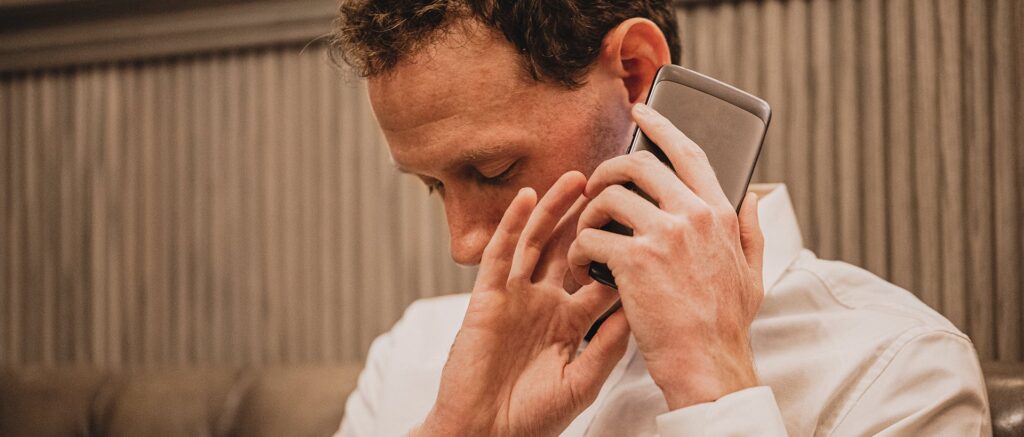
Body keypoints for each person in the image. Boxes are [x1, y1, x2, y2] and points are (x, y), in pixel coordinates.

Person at [329, 1, 990, 435]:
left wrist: (715, 390)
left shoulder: (902, 370)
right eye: (432, 187)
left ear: (636, 73)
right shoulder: (410, 353)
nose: (465, 245)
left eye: (495, 169)